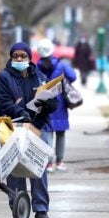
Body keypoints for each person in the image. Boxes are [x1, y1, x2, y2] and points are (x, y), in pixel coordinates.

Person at [0, 42, 59, 218]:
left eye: (23, 56)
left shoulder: (40, 77)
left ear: (30, 58)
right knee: (15, 168)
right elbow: (4, 102)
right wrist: (20, 112)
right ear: (11, 57)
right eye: (16, 56)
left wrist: (49, 104)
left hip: (37, 127)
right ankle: (18, 207)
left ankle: (41, 209)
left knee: (38, 167)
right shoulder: (4, 77)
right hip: (14, 126)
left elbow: (54, 102)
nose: (19, 59)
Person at [37, 38, 77, 172]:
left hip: (45, 104)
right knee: (61, 134)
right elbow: (73, 76)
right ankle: (60, 161)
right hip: (59, 104)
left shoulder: (37, 66)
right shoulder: (61, 65)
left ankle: (48, 163)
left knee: (47, 134)